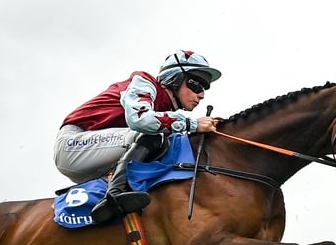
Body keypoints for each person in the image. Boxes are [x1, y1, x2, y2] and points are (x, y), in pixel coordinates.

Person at [54, 50, 222, 223]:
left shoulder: (163, 108)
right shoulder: (144, 82)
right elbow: (139, 119)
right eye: (196, 85)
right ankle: (115, 195)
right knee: (154, 134)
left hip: (97, 156)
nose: (201, 95)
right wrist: (192, 124)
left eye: (204, 88)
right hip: (73, 145)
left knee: (166, 143)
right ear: (174, 78)